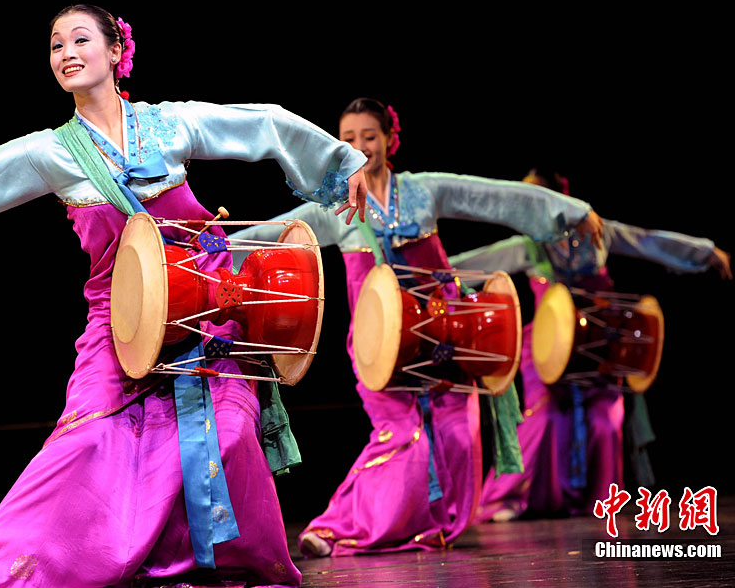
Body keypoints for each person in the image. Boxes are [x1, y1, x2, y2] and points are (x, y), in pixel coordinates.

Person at [0, 4, 370, 588]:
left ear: (116, 51)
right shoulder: (51, 152)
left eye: (80, 39)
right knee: (86, 438)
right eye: (56, 44)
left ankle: (203, 563)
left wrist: (342, 162)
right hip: (120, 320)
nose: (66, 53)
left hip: (204, 310)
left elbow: (263, 123)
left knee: (230, 433)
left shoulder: (170, 125)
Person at [229, 98, 604, 557]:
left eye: (370, 136)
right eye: (348, 139)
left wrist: (570, 210)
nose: (360, 147)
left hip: (444, 337)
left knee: (459, 436)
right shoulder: (333, 206)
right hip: (379, 345)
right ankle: (335, 528)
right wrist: (211, 249)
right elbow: (272, 233)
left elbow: (494, 196)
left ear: (390, 140)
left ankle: (432, 525)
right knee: (403, 436)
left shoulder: (423, 191)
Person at [447, 168, 731, 522]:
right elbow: (472, 262)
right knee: (545, 416)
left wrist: (706, 253)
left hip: (599, 345)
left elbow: (649, 242)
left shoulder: (597, 233)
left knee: (604, 421)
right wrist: (424, 269)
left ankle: (597, 498)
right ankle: (513, 497)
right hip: (548, 347)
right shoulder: (528, 246)